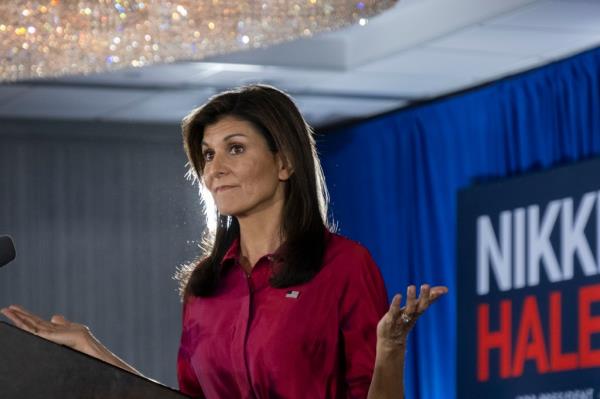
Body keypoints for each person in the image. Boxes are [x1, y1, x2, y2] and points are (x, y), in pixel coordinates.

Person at [1, 84, 447, 399]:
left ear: (286, 162)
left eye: (235, 148)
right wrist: (91, 350)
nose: (215, 168)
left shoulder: (344, 265)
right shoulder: (205, 284)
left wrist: (390, 348)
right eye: (208, 154)